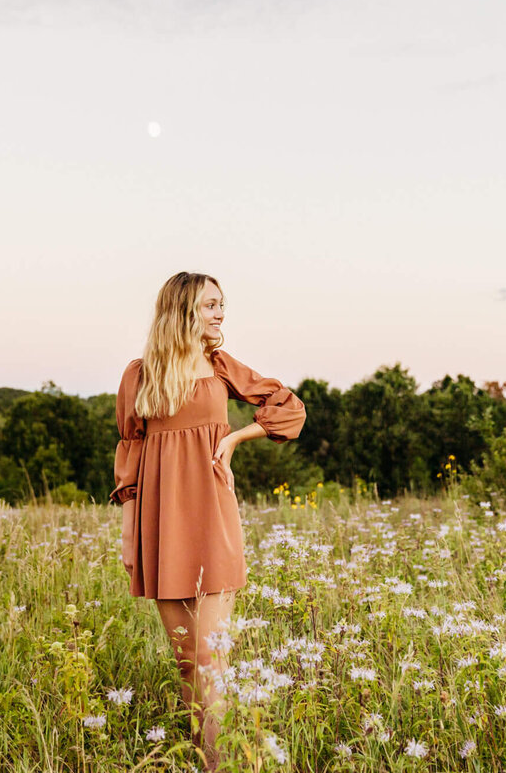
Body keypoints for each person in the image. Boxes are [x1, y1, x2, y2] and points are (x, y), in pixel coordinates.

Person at [110, 271, 307, 770]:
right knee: (185, 663)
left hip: (212, 513)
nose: (220, 314)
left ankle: (216, 765)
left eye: (221, 304)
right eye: (209, 305)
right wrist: (130, 540)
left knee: (210, 660)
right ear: (182, 311)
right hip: (159, 524)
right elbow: (131, 461)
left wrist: (236, 438)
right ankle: (205, 760)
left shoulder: (221, 366)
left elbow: (288, 408)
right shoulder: (140, 374)